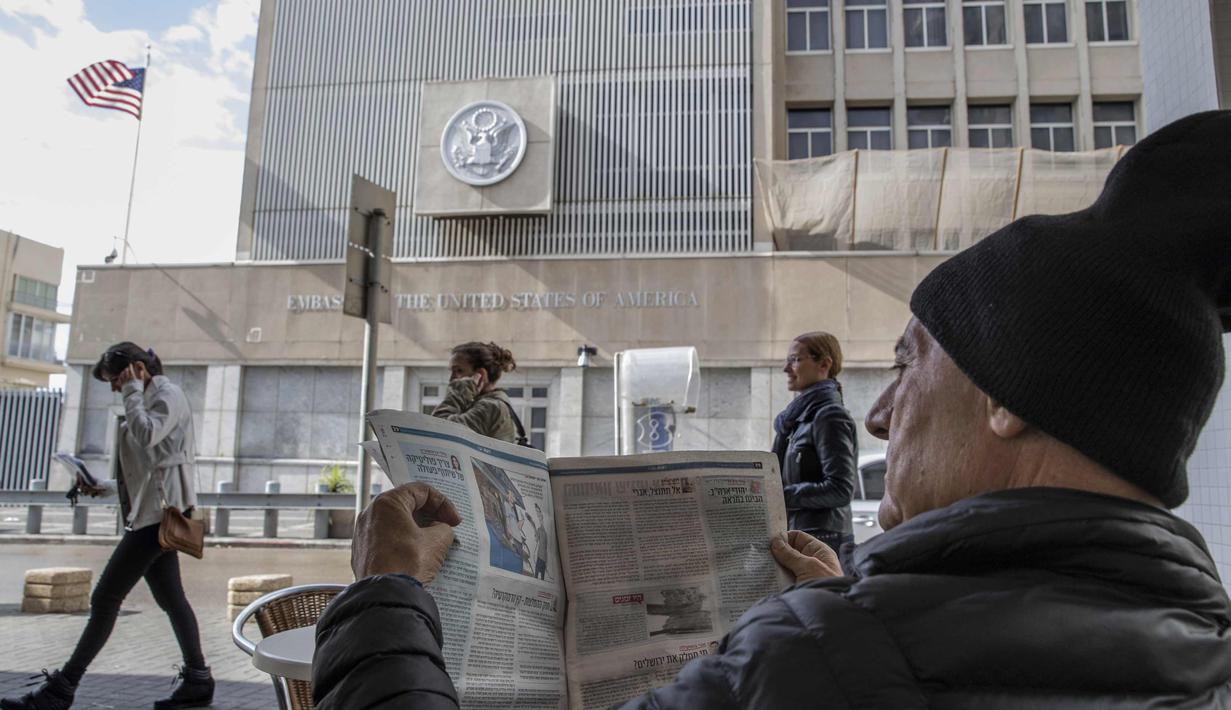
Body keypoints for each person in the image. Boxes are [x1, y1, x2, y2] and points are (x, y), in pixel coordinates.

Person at [309, 111, 1231, 708]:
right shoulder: (1197, 645)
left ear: (1004, 398)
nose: (883, 415)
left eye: (907, 365)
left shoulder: (812, 659)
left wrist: (386, 594)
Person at [2, 343, 213, 710]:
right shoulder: (144, 398)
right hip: (152, 513)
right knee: (171, 599)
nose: (115, 387)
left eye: (116, 378)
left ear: (137, 368)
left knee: (105, 599)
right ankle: (199, 680)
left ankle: (61, 690)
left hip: (158, 518)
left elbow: (148, 436)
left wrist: (132, 391)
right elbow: (150, 469)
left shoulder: (166, 395)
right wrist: (102, 485)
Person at [773, 331, 858, 554]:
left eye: (795, 360)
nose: (786, 368)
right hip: (805, 534)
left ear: (824, 364)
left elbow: (840, 489)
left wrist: (779, 495)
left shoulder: (829, 416)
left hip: (823, 539)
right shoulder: (796, 418)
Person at [431, 341, 519, 443]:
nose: (451, 379)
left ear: (480, 375)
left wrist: (459, 393)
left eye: (459, 371)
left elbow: (436, 429)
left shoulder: (490, 406)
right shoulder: (481, 403)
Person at [533, 503, 549, 580]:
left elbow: (546, 546)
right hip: (541, 554)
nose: (538, 516)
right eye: (537, 513)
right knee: (538, 573)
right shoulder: (539, 530)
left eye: (538, 512)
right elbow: (536, 539)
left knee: (540, 573)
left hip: (543, 555)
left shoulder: (544, 530)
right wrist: (533, 527)